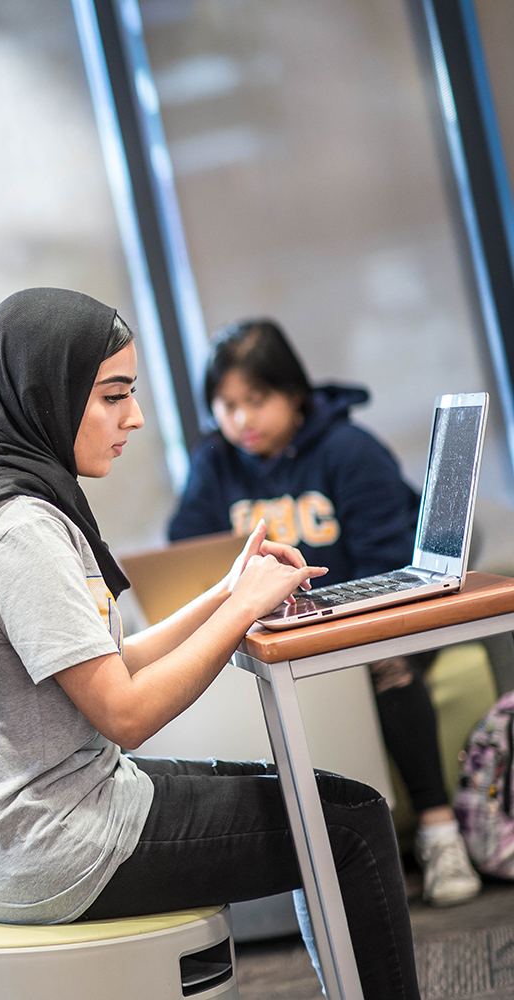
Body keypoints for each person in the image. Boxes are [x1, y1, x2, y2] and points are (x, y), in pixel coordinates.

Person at [0, 288, 420, 1000]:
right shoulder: (20, 525)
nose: (134, 418)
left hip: (28, 833)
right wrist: (240, 617)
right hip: (57, 848)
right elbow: (128, 714)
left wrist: (228, 593)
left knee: (325, 800)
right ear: (47, 393)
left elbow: (114, 660)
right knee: (350, 825)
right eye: (113, 396)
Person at [167, 318, 481, 908]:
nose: (241, 420)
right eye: (227, 404)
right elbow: (187, 558)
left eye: (256, 400)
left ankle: (439, 833)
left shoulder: (348, 450)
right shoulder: (215, 464)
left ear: (294, 393)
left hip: (369, 622)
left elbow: (389, 565)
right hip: (280, 631)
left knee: (388, 663)